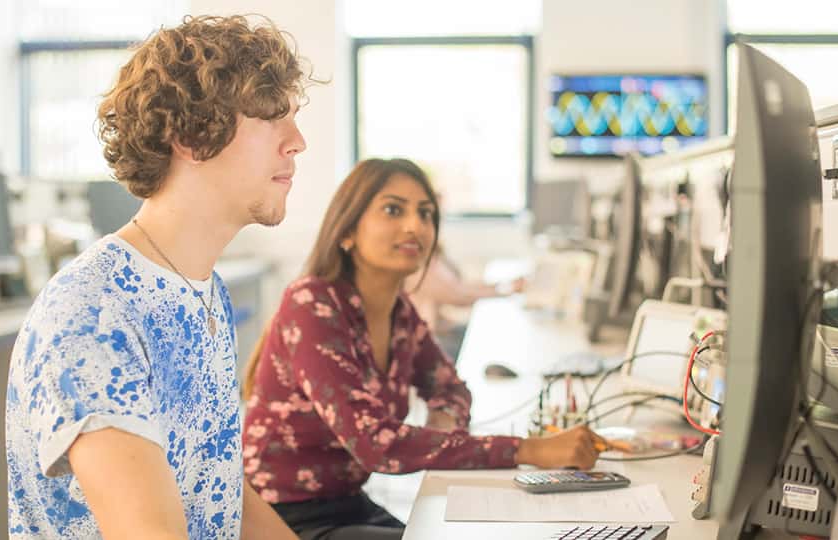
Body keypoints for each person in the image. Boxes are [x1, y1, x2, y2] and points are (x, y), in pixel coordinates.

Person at [5, 15, 310, 540]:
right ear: (191, 136)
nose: (297, 141)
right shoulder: (93, 315)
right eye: (270, 117)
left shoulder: (203, 290)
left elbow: (219, 488)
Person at [241, 158, 605, 540]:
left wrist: (445, 423)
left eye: (426, 213)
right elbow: (376, 445)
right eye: (393, 210)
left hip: (348, 501)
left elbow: (451, 387)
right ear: (347, 232)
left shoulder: (401, 313)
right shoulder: (312, 304)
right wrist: (531, 450)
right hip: (283, 520)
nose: (415, 226)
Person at [406, 242, 525, 361]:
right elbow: (459, 296)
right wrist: (504, 291)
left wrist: (504, 285)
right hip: (430, 342)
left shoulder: (432, 257)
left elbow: (461, 287)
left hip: (442, 331)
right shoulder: (419, 267)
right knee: (487, 344)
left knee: (489, 334)